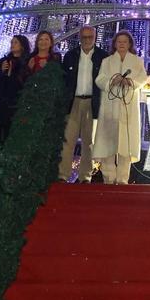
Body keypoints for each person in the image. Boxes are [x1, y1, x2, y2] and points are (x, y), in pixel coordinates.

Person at [93, 30, 147, 185]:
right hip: (109, 107)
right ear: (115, 44)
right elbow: (100, 79)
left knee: (126, 143)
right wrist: (112, 81)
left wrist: (130, 82)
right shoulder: (107, 61)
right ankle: (109, 178)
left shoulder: (137, 61)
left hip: (128, 107)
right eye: (119, 42)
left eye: (125, 42)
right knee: (108, 142)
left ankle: (123, 179)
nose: (122, 44)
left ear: (129, 44)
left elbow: (142, 78)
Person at [60, 25, 102, 182]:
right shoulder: (70, 56)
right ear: (79, 38)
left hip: (93, 102)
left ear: (95, 38)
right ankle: (63, 175)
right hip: (74, 102)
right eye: (84, 37)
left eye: (90, 37)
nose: (87, 40)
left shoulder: (102, 56)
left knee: (89, 142)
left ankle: (85, 176)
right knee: (67, 139)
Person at [0, 35, 31, 143]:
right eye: (12, 42)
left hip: (12, 108)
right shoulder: (3, 62)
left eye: (16, 42)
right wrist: (1, 71)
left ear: (22, 46)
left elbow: (23, 86)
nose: (12, 45)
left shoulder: (26, 65)